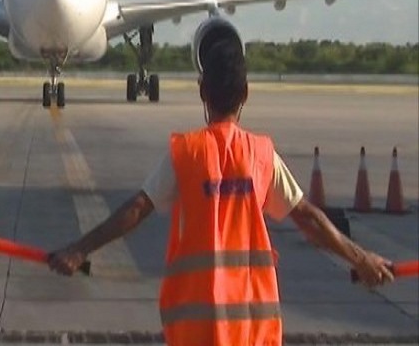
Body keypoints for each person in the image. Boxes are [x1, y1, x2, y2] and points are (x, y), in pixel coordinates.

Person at [47, 39, 394, 345]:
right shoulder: (261, 155)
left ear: (202, 90)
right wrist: (362, 259)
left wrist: (79, 250)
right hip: (252, 327)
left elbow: (137, 208)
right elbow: (308, 218)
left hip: (194, 328)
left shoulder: (186, 153)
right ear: (245, 93)